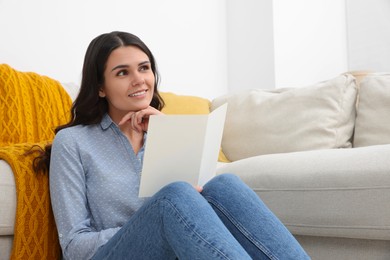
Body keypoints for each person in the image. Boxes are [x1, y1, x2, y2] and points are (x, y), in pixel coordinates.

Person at [36, 31, 310, 260]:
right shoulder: (73, 142)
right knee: (174, 196)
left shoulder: (162, 130)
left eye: (144, 68)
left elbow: (201, 221)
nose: (139, 80)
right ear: (100, 88)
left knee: (224, 186)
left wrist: (171, 134)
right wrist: (151, 216)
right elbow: (73, 246)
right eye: (122, 73)